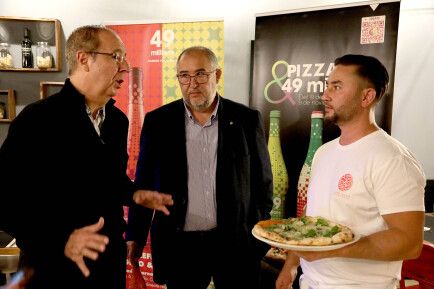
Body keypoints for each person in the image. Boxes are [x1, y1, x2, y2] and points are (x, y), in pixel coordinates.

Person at [0, 25, 173, 289]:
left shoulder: (117, 121)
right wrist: (61, 240)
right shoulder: (37, 120)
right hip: (52, 268)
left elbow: (109, 182)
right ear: (84, 59)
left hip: (108, 267)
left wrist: (134, 194)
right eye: (116, 56)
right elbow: (6, 202)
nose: (125, 66)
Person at [126, 46, 273, 289]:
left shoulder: (246, 119)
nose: (192, 83)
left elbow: (263, 184)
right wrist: (135, 236)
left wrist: (257, 237)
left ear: (217, 75)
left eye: (200, 74)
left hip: (235, 243)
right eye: (184, 75)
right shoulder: (158, 122)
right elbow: (144, 183)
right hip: (180, 245)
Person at [276, 54, 426, 289]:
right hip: (311, 283)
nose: (325, 95)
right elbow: (310, 218)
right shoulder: (323, 153)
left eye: (337, 87)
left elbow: (409, 242)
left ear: (367, 96)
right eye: (327, 85)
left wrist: (334, 249)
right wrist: (292, 264)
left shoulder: (393, 159)